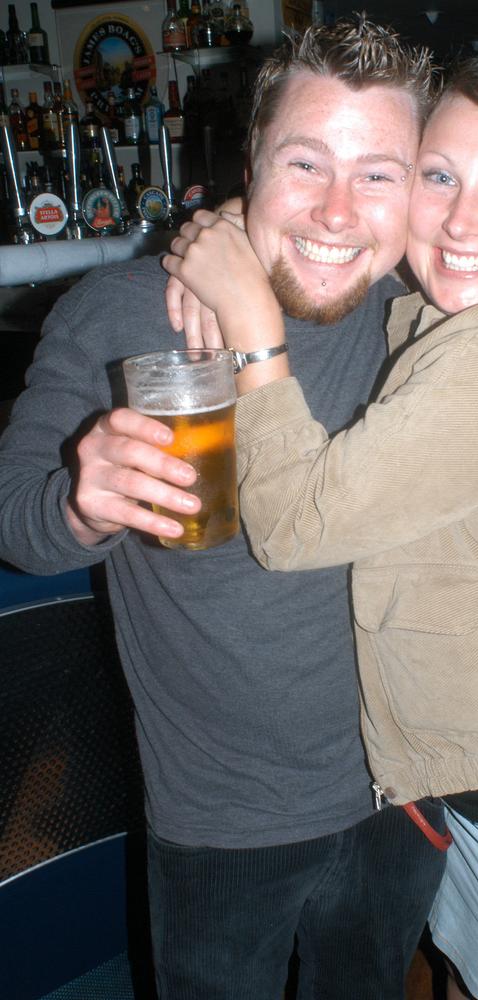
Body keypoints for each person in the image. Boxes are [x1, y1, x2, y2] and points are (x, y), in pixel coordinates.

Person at [162, 50, 478, 1000]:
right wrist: (238, 219)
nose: (463, 220)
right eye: (439, 176)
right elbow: (337, 219)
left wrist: (251, 314)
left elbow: (298, 525)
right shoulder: (457, 317)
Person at [0, 19, 448, 1000]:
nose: (336, 210)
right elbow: (15, 524)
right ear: (249, 157)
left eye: (378, 172)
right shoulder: (120, 312)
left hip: (403, 790)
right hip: (220, 824)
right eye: (305, 161)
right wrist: (80, 501)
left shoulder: (430, 323)